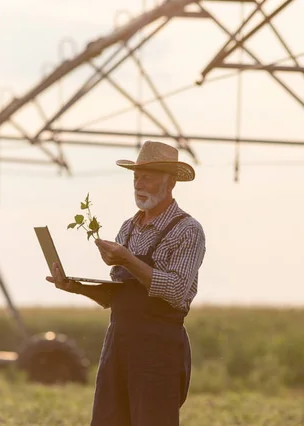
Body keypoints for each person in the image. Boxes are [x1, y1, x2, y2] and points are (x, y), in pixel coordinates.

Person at [46, 140, 206, 426]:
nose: (138, 183)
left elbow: (176, 291)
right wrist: (74, 286)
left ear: (169, 183)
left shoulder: (187, 230)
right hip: (118, 344)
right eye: (135, 177)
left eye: (147, 177)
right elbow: (117, 296)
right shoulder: (128, 228)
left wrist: (127, 259)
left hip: (159, 349)